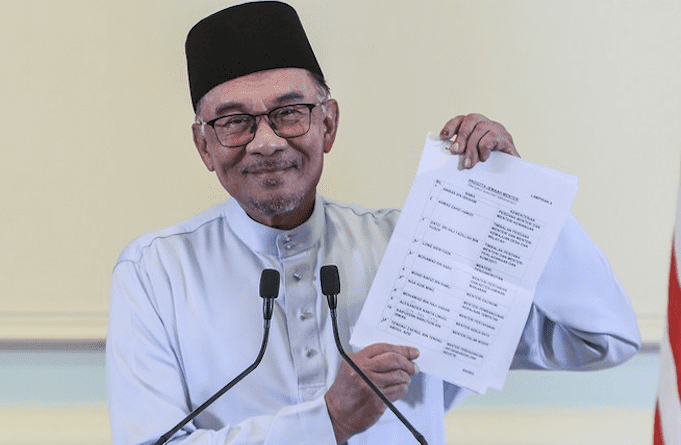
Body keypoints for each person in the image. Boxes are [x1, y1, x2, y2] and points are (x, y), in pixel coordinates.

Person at [105, 2, 641, 444]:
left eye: (289, 112)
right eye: (234, 122)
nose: (266, 142)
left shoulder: (411, 247)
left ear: (328, 124)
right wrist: (328, 422)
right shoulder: (155, 272)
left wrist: (514, 192)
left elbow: (601, 338)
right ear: (204, 145)